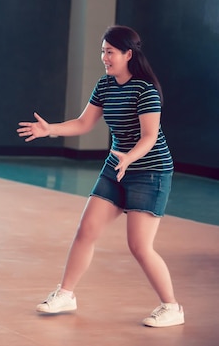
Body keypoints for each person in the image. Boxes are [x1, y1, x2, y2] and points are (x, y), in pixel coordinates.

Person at [17, 25, 184, 327]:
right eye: (102, 51)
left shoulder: (145, 90)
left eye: (110, 52)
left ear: (128, 54)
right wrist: (50, 129)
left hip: (150, 170)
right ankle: (66, 294)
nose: (104, 57)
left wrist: (129, 158)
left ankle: (172, 307)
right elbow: (83, 123)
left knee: (139, 245)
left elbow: (149, 137)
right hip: (116, 166)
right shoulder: (105, 85)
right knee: (86, 229)